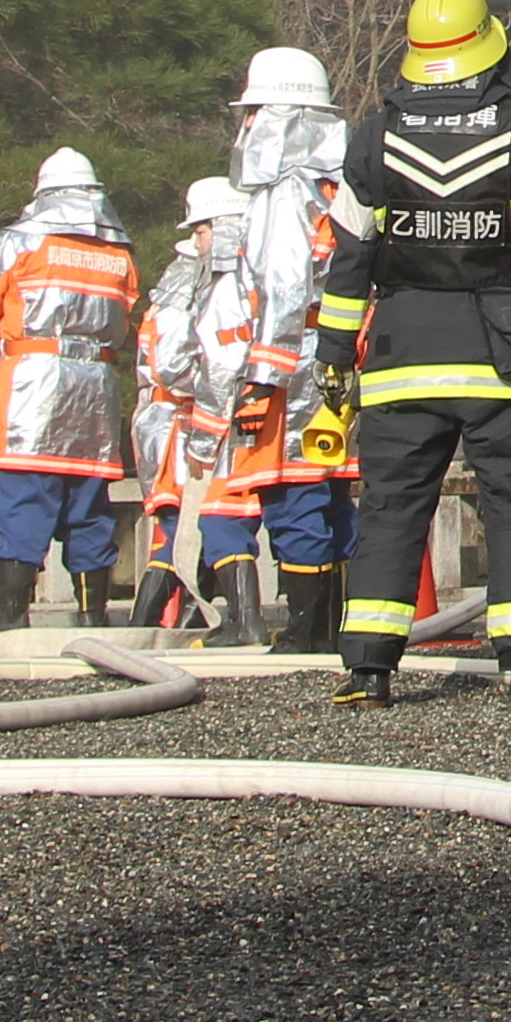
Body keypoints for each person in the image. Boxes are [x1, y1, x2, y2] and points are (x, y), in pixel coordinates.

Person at [318, 0, 511, 705]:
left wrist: (331, 360)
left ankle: (369, 670)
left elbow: (348, 256)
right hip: (501, 353)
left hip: (400, 353)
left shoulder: (374, 138)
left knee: (390, 505)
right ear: (487, 48)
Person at [0, 150, 140, 635]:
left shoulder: (17, 243)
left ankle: (10, 616)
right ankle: (92, 617)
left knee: (22, 498)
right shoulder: (118, 253)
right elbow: (123, 320)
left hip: (29, 381)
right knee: (87, 505)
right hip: (95, 390)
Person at [216, 46, 354, 658]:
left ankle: (304, 631)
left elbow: (282, 286)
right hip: (340, 357)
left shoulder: (282, 195)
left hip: (291, 366)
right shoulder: (341, 188)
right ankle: (336, 626)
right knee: (333, 492)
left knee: (290, 490)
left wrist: (260, 381)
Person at [131, 177, 263, 638]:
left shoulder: (209, 281)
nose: (196, 239)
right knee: (192, 520)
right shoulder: (199, 280)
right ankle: (161, 622)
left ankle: (234, 624)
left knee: (206, 519)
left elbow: (172, 364)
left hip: (194, 419)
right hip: (188, 420)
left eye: (202, 229)